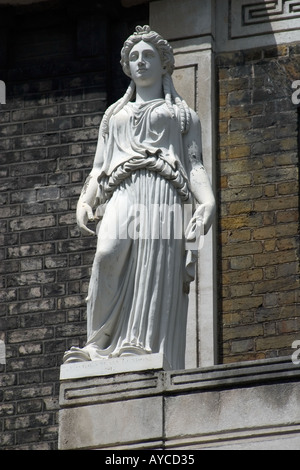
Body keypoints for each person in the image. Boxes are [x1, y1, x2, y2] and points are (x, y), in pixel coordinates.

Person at [63, 25, 215, 369]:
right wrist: (86, 201)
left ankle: (143, 345)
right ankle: (97, 343)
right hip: (123, 189)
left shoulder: (182, 115)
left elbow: (194, 167)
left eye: (148, 55)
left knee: (153, 266)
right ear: (127, 67)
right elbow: (99, 168)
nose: (141, 61)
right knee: (107, 254)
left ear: (164, 64)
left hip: (163, 191)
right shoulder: (114, 116)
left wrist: (207, 203)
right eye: (134, 57)